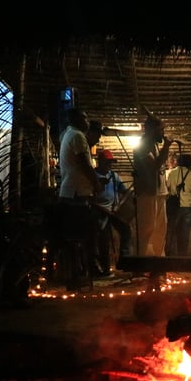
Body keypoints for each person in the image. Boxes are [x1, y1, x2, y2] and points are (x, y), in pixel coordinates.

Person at [57, 109, 104, 276]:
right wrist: (96, 183)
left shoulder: (66, 134)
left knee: (80, 233)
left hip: (70, 191)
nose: (87, 120)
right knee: (87, 232)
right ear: (76, 119)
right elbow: (84, 164)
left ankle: (81, 269)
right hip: (77, 192)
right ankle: (87, 268)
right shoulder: (77, 136)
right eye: (85, 117)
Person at [132, 113, 174, 256]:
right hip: (147, 193)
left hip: (159, 193)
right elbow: (154, 166)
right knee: (146, 229)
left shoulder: (154, 145)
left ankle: (158, 263)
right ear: (151, 130)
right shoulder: (143, 146)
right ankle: (142, 263)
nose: (163, 134)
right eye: (160, 130)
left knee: (161, 229)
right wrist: (166, 147)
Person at [93, 148, 134, 274]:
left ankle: (124, 261)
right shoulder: (93, 176)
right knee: (103, 240)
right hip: (99, 211)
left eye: (110, 162)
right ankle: (105, 269)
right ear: (100, 161)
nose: (109, 165)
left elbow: (124, 191)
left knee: (126, 231)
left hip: (114, 211)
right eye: (107, 162)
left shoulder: (114, 176)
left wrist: (133, 197)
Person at [164, 153, 191, 256]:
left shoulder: (171, 173)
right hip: (188, 207)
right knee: (184, 233)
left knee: (172, 232)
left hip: (174, 207)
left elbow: (168, 188)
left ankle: (171, 257)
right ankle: (182, 257)